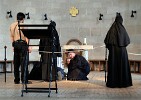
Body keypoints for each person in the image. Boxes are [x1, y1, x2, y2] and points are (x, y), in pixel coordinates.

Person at [104, 13, 132, 88]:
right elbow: (127, 41)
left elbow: (107, 41)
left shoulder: (111, 29)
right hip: (122, 52)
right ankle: (123, 83)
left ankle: (113, 83)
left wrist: (111, 46)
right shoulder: (123, 29)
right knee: (123, 67)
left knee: (113, 66)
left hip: (113, 52)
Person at [10, 12, 31, 84]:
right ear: (23, 18)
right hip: (23, 44)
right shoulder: (24, 25)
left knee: (16, 63)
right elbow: (26, 37)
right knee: (24, 63)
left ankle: (16, 79)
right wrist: (28, 46)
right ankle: (24, 79)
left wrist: (13, 45)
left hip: (15, 44)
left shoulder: (12, 25)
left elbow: (11, 36)